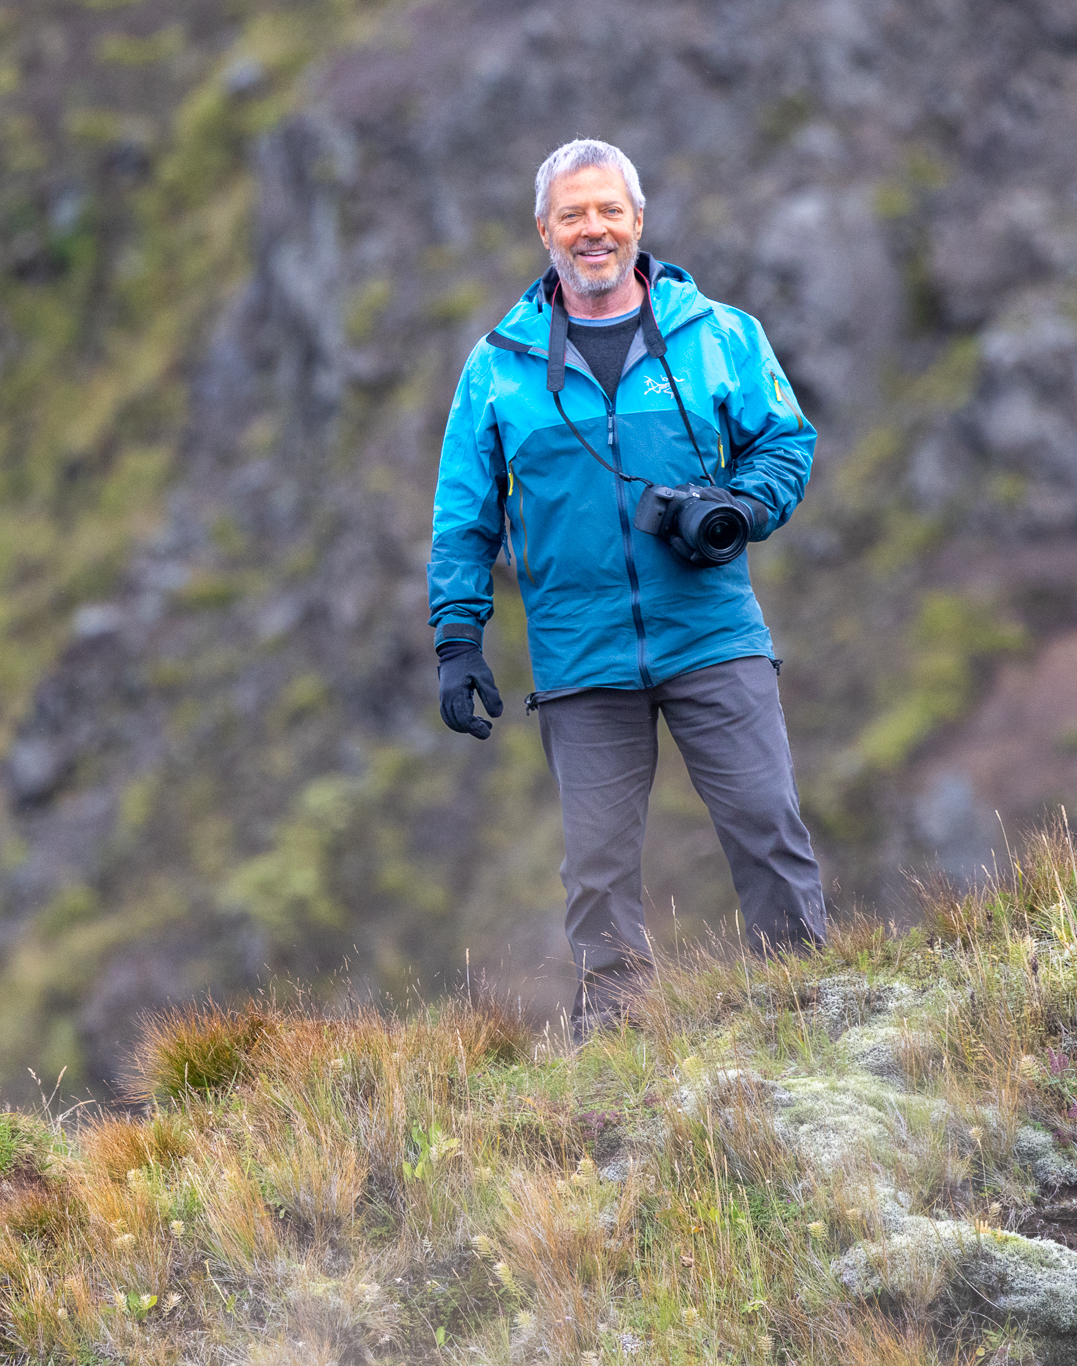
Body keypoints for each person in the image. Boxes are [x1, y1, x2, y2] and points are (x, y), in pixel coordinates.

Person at [427, 138, 826, 1035]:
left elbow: (787, 442)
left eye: (608, 211)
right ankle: (615, 1056)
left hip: (712, 630)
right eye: (572, 215)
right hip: (580, 653)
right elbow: (464, 516)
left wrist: (740, 505)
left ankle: (809, 1024)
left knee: (768, 829)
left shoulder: (719, 336)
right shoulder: (496, 366)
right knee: (597, 875)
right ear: (544, 231)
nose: (592, 230)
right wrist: (457, 640)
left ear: (638, 222)